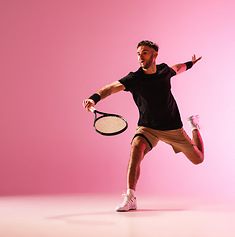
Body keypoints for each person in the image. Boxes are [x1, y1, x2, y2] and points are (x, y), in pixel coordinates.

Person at [83, 40, 204, 212]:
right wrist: (93, 98)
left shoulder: (164, 71)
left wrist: (190, 64)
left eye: (145, 52)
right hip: (148, 128)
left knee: (198, 159)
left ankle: (194, 126)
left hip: (172, 128)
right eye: (139, 53)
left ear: (155, 55)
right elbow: (111, 88)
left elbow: (177, 69)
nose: (141, 56)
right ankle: (130, 197)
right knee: (135, 149)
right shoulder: (134, 79)